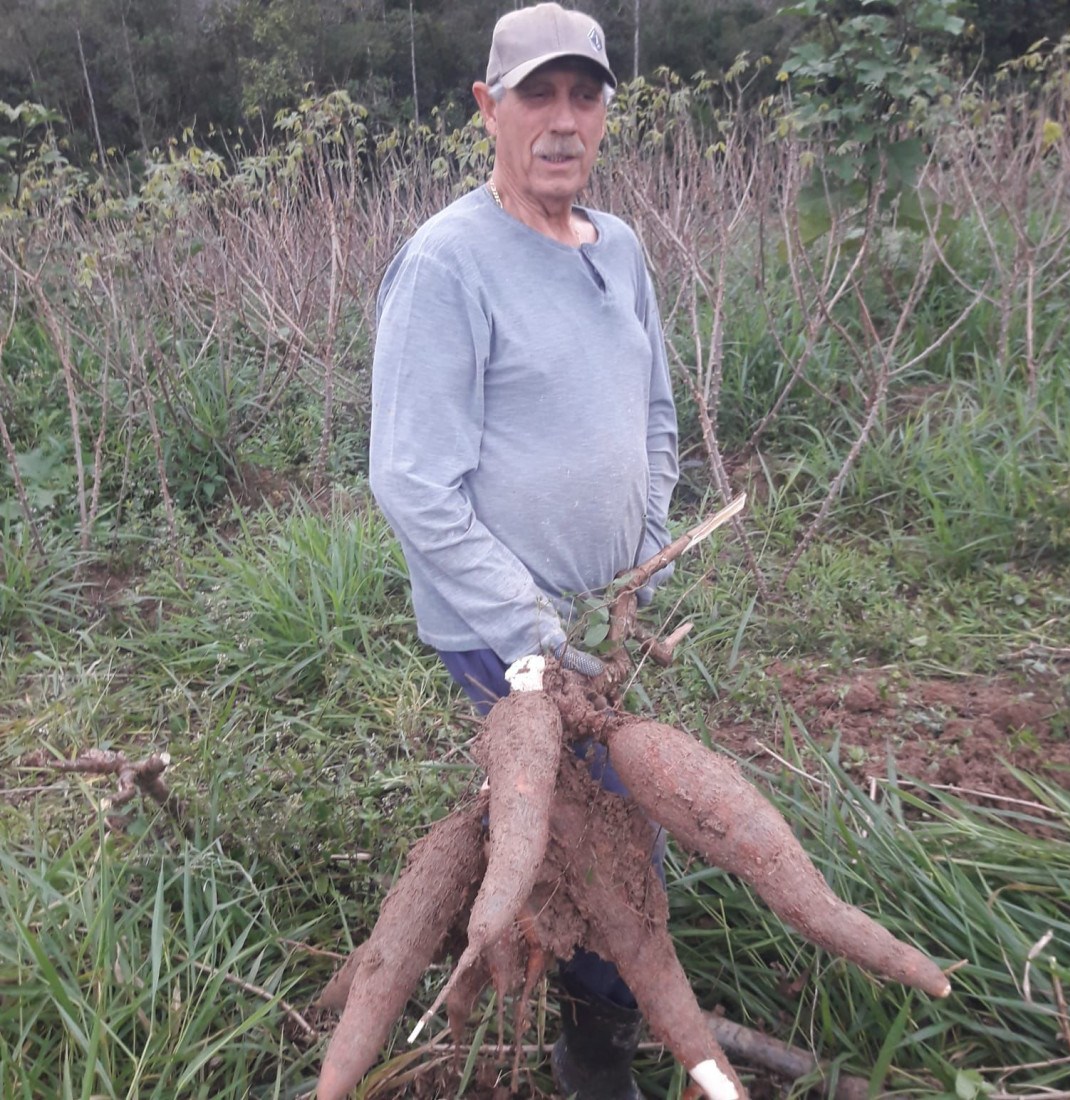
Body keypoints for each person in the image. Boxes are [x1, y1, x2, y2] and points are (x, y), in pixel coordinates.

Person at [368, 4, 679, 1097]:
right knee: (612, 837)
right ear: (484, 109)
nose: (561, 120)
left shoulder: (622, 246)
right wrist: (542, 631)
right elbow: (411, 480)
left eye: (582, 95)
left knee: (605, 814)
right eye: (534, 95)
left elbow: (654, 417)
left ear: (603, 113)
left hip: (613, 616)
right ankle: (592, 1047)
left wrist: (645, 564)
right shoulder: (448, 264)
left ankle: (568, 944)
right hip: (506, 631)